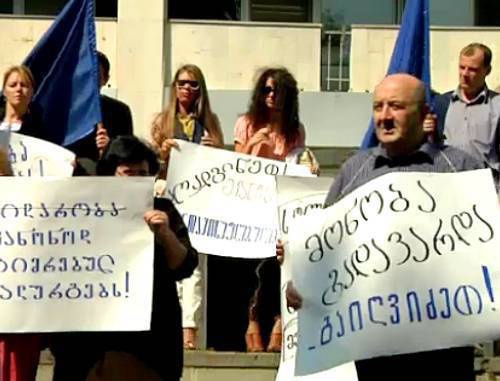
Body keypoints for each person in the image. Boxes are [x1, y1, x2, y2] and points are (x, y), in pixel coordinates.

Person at [284, 73, 483, 381]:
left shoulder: (461, 167)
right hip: (374, 350)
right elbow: (325, 248)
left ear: (424, 114)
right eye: (378, 107)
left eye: (396, 106)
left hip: (444, 351)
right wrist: (301, 282)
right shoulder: (355, 170)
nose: (385, 116)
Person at [50, 136, 198, 381]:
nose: (137, 180)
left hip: (146, 349)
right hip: (88, 347)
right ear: (110, 175)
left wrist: (166, 235)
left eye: (143, 173)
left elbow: (184, 266)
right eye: (129, 173)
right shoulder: (81, 210)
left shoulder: (163, 209)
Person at [231, 67, 315, 353]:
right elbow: (233, 168)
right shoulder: (246, 123)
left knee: (278, 264)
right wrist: (255, 143)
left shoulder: (296, 130)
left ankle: (279, 323)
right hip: (250, 204)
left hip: (281, 205)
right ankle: (252, 321)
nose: (271, 96)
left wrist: (308, 169)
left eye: (278, 90)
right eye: (266, 90)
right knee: (252, 267)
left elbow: (298, 166)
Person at [151, 64, 223, 349]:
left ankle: (189, 331)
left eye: (193, 84)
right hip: (168, 195)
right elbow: (151, 167)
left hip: (198, 199)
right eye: (182, 83)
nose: (187, 89)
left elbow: (222, 167)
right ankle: (170, 326)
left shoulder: (211, 121)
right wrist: (163, 153)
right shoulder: (162, 121)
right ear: (174, 87)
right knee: (169, 259)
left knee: (195, 266)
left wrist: (216, 148)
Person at [0, 65, 46, 381]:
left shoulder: (45, 133)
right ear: (4, 89)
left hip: (28, 239)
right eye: (13, 84)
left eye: (25, 85)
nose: (19, 89)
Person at [433, 43, 500, 183]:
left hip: (486, 187)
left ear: (487, 70)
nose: (464, 74)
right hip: (448, 184)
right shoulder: (442, 104)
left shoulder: (497, 105)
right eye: (462, 67)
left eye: (472, 69)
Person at [67, 51, 134, 173]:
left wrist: (111, 145)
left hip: (107, 180)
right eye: (86, 74)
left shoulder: (120, 111)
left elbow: (129, 152)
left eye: (96, 74)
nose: (90, 80)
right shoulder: (65, 112)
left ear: (105, 79)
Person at [0, 65, 47, 139]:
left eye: (23, 85)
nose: (18, 89)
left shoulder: (37, 129)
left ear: (31, 92)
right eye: (13, 85)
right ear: (4, 91)